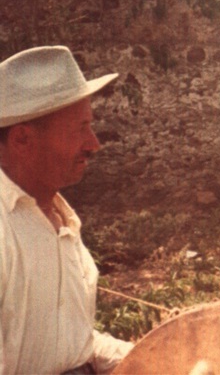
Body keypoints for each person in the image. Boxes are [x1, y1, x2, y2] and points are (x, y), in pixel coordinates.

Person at [0, 46, 133, 374]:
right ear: (21, 140)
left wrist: (165, 353)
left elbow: (72, 345)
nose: (93, 144)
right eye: (79, 129)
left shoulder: (62, 219)